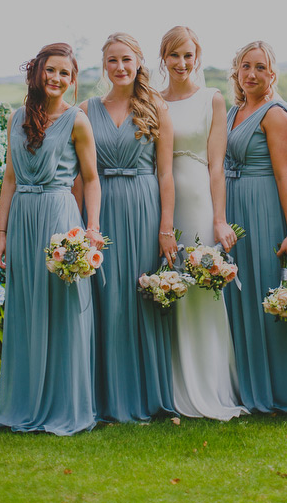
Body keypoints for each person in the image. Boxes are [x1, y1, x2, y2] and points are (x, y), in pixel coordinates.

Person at [0, 42, 103, 434]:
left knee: (63, 310)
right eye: (51, 70)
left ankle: (65, 406)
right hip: (23, 218)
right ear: (38, 73)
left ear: (73, 81)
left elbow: (91, 180)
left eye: (65, 73)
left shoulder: (77, 121)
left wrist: (90, 231)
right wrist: (1, 231)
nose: (56, 78)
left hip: (60, 217)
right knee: (27, 310)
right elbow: (9, 177)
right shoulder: (16, 117)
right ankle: (25, 404)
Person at [81, 33, 176, 421]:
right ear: (104, 66)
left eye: (126, 60)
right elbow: (81, 175)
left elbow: (166, 173)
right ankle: (105, 399)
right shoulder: (87, 109)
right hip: (101, 207)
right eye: (112, 61)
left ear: (138, 63)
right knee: (106, 300)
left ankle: (147, 396)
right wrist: (83, 223)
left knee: (140, 297)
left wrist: (165, 227)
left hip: (143, 204)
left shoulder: (156, 106)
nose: (120, 67)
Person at [159, 25, 246, 420]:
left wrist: (219, 218)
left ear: (198, 57)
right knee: (167, 284)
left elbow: (217, 166)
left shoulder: (212, 99)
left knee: (199, 285)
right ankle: (170, 383)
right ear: (164, 57)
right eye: (174, 55)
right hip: (158, 200)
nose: (181, 63)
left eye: (188, 55)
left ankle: (208, 384)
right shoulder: (153, 100)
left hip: (196, 196)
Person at [223, 40, 287, 413]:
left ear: (272, 73)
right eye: (246, 66)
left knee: (267, 292)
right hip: (235, 207)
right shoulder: (233, 111)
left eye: (261, 67)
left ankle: (283, 390)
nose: (253, 74)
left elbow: (284, 176)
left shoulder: (276, 114)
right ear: (237, 71)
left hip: (266, 210)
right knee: (240, 297)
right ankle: (248, 384)